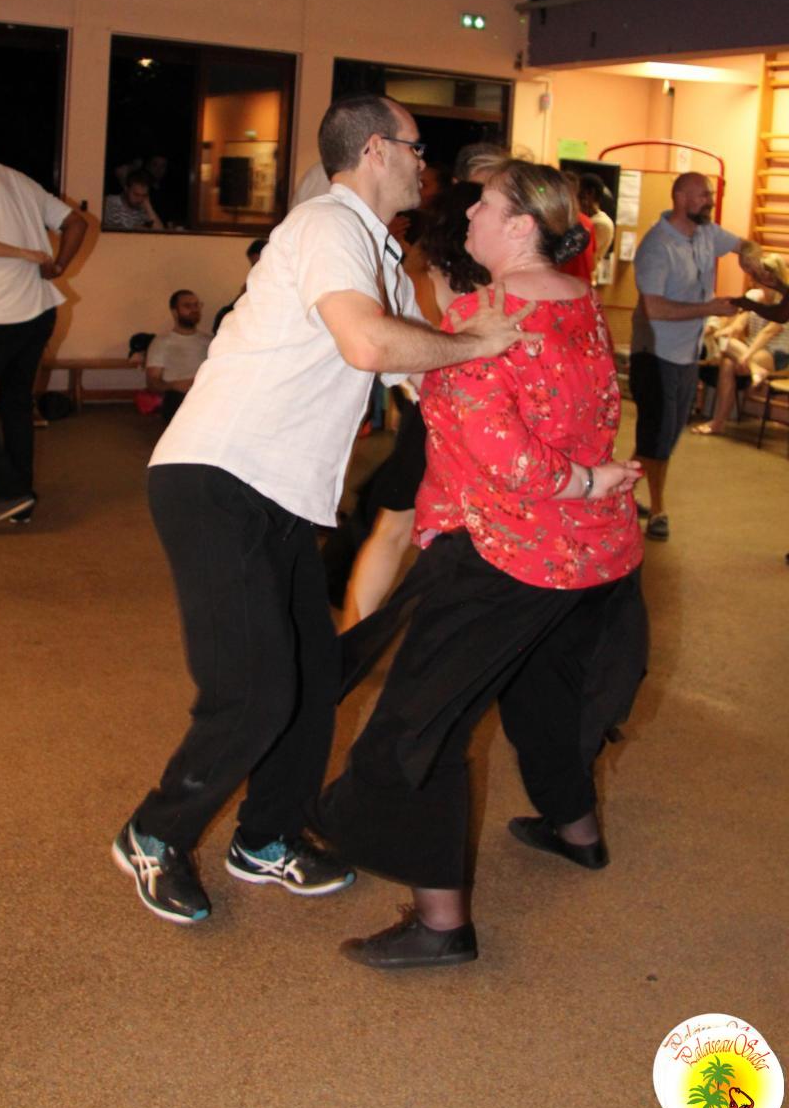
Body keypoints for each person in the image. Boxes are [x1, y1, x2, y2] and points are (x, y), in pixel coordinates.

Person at [111, 93, 526, 925]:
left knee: (310, 680)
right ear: (374, 150)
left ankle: (266, 837)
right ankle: (154, 833)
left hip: (283, 496)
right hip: (217, 476)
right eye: (415, 148)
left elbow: (421, 377)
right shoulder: (327, 226)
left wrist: (526, 456)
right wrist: (476, 342)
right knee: (255, 692)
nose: (424, 165)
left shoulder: (378, 253)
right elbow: (370, 344)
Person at [309, 160, 646, 970]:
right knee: (538, 692)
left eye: (485, 208)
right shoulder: (579, 301)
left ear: (522, 226)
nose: (468, 219)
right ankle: (576, 831)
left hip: (505, 551)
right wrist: (590, 483)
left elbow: (508, 459)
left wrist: (582, 479)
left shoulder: (481, 317)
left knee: (417, 728)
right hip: (587, 554)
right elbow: (596, 407)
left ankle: (441, 924)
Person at [337, 180, 488, 628]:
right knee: (462, 535)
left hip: (431, 415)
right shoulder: (499, 282)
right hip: (475, 421)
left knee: (392, 531)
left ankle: (353, 637)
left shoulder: (422, 277)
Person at [629, 172, 763, 541]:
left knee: (666, 433)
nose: (710, 200)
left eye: (709, 194)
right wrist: (710, 308)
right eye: (703, 194)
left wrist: (752, 259)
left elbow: (745, 245)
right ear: (680, 197)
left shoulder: (706, 233)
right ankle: (658, 510)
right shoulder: (657, 246)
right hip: (655, 353)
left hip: (686, 354)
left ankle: (617, 491)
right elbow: (655, 308)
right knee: (658, 436)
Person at [0, 139, 87, 526]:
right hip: (39, 310)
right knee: (15, 402)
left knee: (14, 402)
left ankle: (10, 489)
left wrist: (25, 254)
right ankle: (21, 501)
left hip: (1, 313)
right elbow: (77, 222)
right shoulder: (21, 181)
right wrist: (58, 265)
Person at [693, 253, 789, 436]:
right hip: (750, 349)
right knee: (727, 359)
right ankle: (755, 370)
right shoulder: (753, 296)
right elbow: (739, 324)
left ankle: (717, 423)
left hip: (776, 352)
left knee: (729, 362)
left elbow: (768, 332)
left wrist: (746, 356)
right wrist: (724, 332)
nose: (757, 279)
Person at [145, 290, 211, 423]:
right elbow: (152, 382)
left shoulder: (210, 341)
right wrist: (175, 385)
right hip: (178, 396)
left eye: (196, 305)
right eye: (187, 306)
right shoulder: (162, 342)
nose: (194, 309)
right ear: (175, 312)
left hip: (207, 392)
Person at [212, 239, 267, 334]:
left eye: (260, 265)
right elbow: (220, 326)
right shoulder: (250, 287)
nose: (256, 270)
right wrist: (241, 298)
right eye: (253, 266)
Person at [578, 173, 616, 277]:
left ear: (590, 193)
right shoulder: (585, 218)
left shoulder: (602, 223)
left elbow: (581, 255)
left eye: (579, 194)